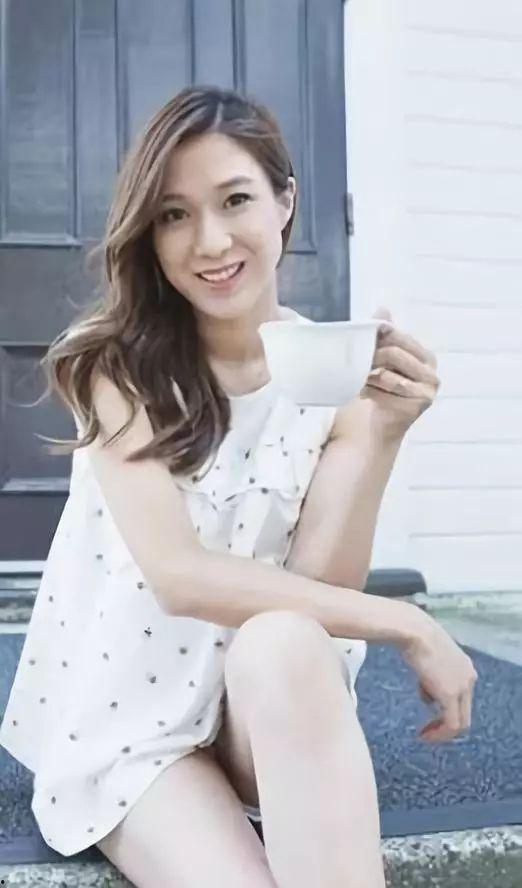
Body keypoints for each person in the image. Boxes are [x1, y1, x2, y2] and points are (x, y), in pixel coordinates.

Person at [0, 85, 477, 888]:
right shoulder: (121, 368)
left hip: (262, 713)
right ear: (149, 235)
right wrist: (408, 622)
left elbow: (317, 588)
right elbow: (180, 577)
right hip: (137, 721)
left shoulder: (330, 373)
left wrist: (383, 433)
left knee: (286, 636)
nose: (210, 241)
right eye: (175, 214)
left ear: (284, 202)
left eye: (235, 200)